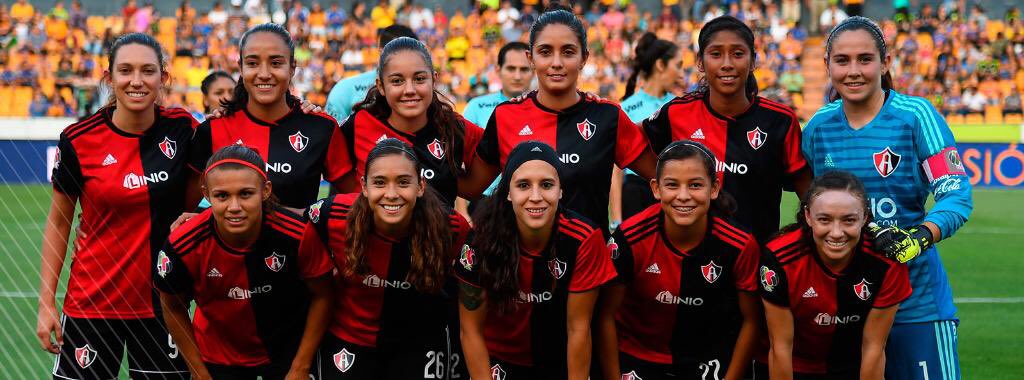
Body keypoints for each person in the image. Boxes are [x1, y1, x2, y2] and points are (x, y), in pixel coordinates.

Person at [802, 16, 973, 380]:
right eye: (842, 60)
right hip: (845, 306)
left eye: (865, 59)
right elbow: (809, 205)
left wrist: (920, 236)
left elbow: (956, 193)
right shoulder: (818, 127)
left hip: (916, 303)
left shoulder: (916, 116)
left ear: (885, 62)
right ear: (828, 65)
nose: (853, 71)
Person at [38, 33, 195, 379]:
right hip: (91, 303)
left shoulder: (184, 128)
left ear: (163, 78)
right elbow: (59, 223)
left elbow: (230, 166)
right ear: (109, 78)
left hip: (163, 304)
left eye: (147, 71)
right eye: (125, 70)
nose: (136, 81)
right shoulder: (79, 139)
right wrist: (45, 302)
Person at [464, 5, 658, 234]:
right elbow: (471, 187)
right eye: (545, 52)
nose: (557, 62)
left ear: (584, 58)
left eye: (568, 52)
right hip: (518, 265)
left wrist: (633, 239)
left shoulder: (607, 117)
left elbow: (664, 179)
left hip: (588, 265)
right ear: (531, 58)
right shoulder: (506, 115)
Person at [156, 145, 334, 379]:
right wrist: (199, 372)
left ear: (266, 190)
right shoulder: (184, 242)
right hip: (219, 356)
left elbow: (324, 294)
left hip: (287, 353)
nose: (234, 207)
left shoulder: (297, 235)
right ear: (207, 194)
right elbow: (172, 306)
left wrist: (300, 367)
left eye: (245, 194)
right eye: (222, 196)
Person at [299, 138, 471, 379]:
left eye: (403, 182)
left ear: (421, 186)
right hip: (351, 339)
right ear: (364, 186)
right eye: (379, 183)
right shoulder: (328, 217)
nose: (391, 194)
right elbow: (317, 289)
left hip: (419, 342)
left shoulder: (452, 229)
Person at [642, 15, 811, 243]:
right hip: (689, 257)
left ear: (753, 62)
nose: (727, 63)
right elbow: (630, 141)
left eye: (738, 54)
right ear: (700, 62)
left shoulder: (780, 121)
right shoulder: (676, 113)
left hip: (757, 261)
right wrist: (665, 181)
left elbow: (808, 193)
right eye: (716, 54)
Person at [601, 141, 760, 380]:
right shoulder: (629, 239)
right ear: (655, 189)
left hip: (708, 361)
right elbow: (605, 316)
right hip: (638, 357)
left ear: (714, 188)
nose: (683, 196)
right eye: (672, 185)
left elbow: (752, 321)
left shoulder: (739, 245)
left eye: (695, 185)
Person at [458, 141, 617, 379]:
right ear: (508, 192)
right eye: (523, 185)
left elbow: (578, 330)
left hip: (558, 359)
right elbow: (470, 330)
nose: (535, 197)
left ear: (561, 190)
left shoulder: (584, 239)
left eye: (546, 185)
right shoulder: (480, 240)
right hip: (497, 361)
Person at [759, 171, 912, 379]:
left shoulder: (887, 262)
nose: (836, 232)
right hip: (795, 366)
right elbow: (780, 348)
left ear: (865, 218)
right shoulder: (779, 257)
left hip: (853, 367)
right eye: (824, 219)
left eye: (849, 220)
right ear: (808, 216)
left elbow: (874, 349)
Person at [189, 23, 353, 210]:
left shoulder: (321, 128)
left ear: (292, 68)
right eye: (252, 63)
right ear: (240, 68)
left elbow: (355, 202)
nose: (264, 74)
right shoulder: (212, 129)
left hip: (300, 240)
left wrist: (311, 216)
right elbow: (183, 210)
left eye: (276, 63)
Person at [337, 37, 482, 207]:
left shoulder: (453, 127)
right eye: (397, 81)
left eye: (419, 79)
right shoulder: (357, 124)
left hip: (440, 233)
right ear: (381, 86)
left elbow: (475, 186)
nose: (409, 90)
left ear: (434, 80)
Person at [613, 32, 683, 226]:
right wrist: (616, 219)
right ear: (661, 65)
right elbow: (617, 171)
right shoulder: (627, 108)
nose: (681, 74)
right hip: (635, 196)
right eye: (678, 66)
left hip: (672, 192)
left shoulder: (679, 106)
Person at [461, 41, 533, 202]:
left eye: (524, 69)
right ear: (498, 70)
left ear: (534, 70)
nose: (517, 76)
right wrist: (463, 211)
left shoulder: (545, 108)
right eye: (511, 68)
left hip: (531, 198)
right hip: (485, 200)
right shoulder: (476, 106)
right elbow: (460, 162)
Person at [325, 24, 417, 123]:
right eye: (400, 55)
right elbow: (331, 133)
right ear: (382, 52)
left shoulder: (422, 91)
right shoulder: (345, 89)